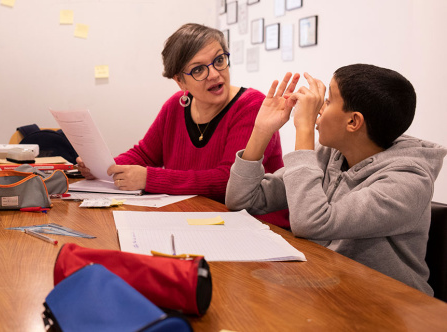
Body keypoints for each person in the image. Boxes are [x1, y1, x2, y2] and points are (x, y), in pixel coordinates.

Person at [225, 64, 447, 295]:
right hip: (329, 284)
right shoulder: (331, 154)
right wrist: (262, 129)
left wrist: (304, 130)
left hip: (390, 306)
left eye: (329, 101)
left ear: (353, 122)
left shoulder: (408, 181)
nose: (319, 108)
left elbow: (310, 223)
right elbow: (241, 199)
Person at [77, 23, 285, 210]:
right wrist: (103, 167)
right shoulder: (176, 105)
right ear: (180, 81)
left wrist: (149, 178)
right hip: (195, 216)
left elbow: (227, 180)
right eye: (198, 69)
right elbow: (145, 155)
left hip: (257, 224)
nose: (214, 74)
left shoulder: (252, 105)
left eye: (219, 60)